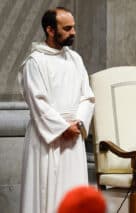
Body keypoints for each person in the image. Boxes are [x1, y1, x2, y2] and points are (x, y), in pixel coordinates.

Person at [18, 7, 95, 213]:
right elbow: (37, 102)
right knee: (44, 192)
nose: (73, 33)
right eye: (67, 28)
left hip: (74, 135)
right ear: (50, 30)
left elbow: (87, 95)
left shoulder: (75, 59)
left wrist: (78, 122)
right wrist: (62, 127)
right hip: (47, 138)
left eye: (74, 27)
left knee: (73, 191)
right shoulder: (35, 62)